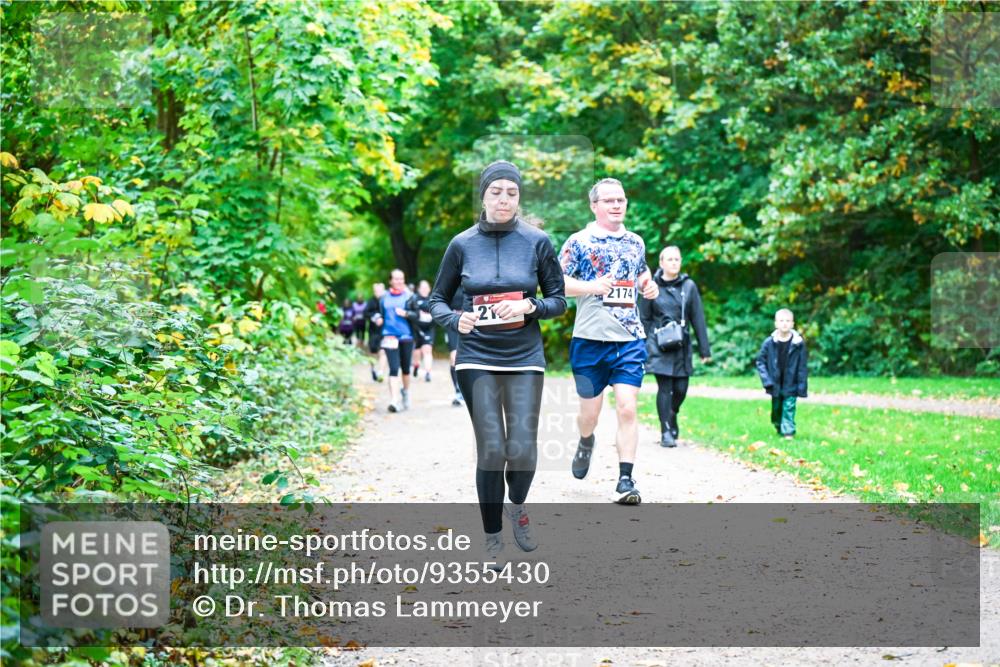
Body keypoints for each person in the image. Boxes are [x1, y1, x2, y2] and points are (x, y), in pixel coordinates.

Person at [430, 160, 566, 567]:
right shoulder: (461, 244)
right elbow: (437, 299)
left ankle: (517, 508)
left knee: (521, 449)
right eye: (496, 192)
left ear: (519, 197)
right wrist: (456, 319)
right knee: (492, 449)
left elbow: (558, 300)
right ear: (484, 196)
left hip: (524, 356)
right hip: (477, 357)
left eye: (511, 192)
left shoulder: (537, 241)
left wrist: (530, 305)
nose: (503, 199)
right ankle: (492, 539)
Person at [560, 177, 658, 505]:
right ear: (594, 205)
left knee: (628, 409)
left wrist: (648, 286)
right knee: (591, 413)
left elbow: (640, 272)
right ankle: (586, 440)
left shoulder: (635, 242)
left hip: (629, 338)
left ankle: (625, 480)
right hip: (590, 339)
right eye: (609, 200)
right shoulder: (579, 242)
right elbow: (555, 284)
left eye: (621, 199)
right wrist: (592, 287)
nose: (617, 205)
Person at [638, 246, 712, 448]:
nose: (673, 262)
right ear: (661, 263)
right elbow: (643, 317)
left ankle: (672, 414)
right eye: (669, 259)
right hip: (659, 344)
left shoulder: (689, 286)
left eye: (677, 259)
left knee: (681, 389)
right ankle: (665, 432)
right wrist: (642, 344)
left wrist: (704, 350)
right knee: (664, 388)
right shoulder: (651, 286)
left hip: (681, 344)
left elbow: (698, 318)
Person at [755, 308, 808, 438]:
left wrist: (802, 385)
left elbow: (802, 366)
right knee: (777, 408)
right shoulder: (769, 343)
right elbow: (760, 361)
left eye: (788, 321)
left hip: (792, 382)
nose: (784, 323)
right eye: (781, 320)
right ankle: (778, 425)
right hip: (775, 383)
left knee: (789, 407)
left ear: (792, 324)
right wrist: (766, 381)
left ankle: (788, 432)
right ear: (776, 323)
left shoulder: (798, 344)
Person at [380, 269, 418, 413]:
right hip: (389, 336)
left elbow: (417, 315)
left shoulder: (410, 297)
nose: (399, 282)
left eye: (401, 279)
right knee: (394, 369)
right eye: (396, 279)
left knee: (406, 370)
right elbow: (381, 314)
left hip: (406, 337)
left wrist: (406, 313)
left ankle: (405, 392)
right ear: (390, 281)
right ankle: (394, 400)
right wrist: (378, 318)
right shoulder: (384, 297)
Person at [410, 280, 435, 382]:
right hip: (416, 329)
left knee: (427, 349)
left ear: (429, 289)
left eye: (426, 287)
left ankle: (428, 373)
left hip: (429, 329)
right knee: (417, 352)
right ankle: (416, 365)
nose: (424, 290)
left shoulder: (433, 300)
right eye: (422, 288)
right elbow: (410, 312)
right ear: (418, 289)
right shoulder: (414, 299)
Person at [445, 285, 465, 405]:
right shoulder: (450, 283)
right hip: (453, 324)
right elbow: (439, 302)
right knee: (454, 357)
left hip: (472, 322)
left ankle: (466, 389)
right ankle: (458, 391)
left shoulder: (473, 280)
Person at [363, 282, 388, 382]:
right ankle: (373, 369)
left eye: (379, 290)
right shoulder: (371, 301)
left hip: (384, 331)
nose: (377, 292)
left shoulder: (387, 301)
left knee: (383, 351)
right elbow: (365, 313)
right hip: (373, 331)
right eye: (376, 291)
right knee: (373, 352)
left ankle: (381, 372)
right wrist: (374, 317)